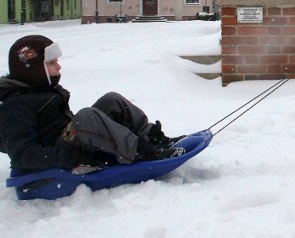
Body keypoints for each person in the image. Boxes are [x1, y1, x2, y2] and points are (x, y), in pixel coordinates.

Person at [0, 35, 185, 173]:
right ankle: (141, 151)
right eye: (52, 62)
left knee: (111, 100)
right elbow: (22, 155)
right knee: (86, 117)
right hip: (57, 153)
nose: (59, 66)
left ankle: (150, 138)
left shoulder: (41, 89)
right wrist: (68, 158)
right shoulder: (15, 104)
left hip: (65, 139)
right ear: (33, 68)